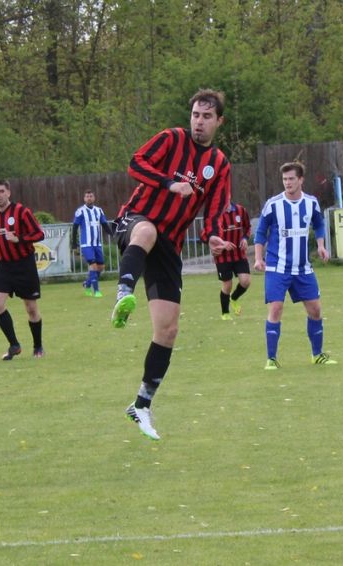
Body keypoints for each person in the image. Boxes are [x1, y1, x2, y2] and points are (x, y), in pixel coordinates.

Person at [110, 89, 233, 440]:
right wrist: (169, 182)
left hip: (171, 245)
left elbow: (214, 208)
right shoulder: (171, 139)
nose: (199, 121)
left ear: (218, 121)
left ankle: (142, 405)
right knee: (146, 231)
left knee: (167, 330)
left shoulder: (220, 165)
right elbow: (135, 163)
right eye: (195, 114)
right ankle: (123, 293)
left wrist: (211, 235)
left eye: (207, 117)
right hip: (135, 219)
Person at [253, 161, 337, 369]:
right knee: (276, 308)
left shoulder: (311, 203)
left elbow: (319, 223)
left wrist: (321, 245)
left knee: (315, 310)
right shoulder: (273, 204)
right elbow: (261, 232)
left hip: (303, 268)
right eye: (284, 179)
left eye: (291, 179)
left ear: (301, 180)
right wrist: (258, 258)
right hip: (277, 267)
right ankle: (271, 359)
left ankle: (317, 355)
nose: (287, 182)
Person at [0, 179, 46, 360]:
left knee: (31, 309)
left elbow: (39, 234)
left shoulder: (22, 212)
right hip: (3, 266)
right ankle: (14, 345)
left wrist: (19, 239)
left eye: (1, 191)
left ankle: (38, 346)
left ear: (9, 192)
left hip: (24, 265)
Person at [214, 201, 252, 320]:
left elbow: (247, 227)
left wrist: (245, 238)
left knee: (245, 281)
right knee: (227, 285)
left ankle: (234, 298)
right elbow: (206, 234)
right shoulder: (214, 214)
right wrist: (222, 244)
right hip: (222, 256)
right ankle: (225, 313)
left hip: (239, 254)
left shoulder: (241, 210)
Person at [71, 189, 112, 297]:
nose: (89, 198)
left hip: (97, 244)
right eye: (87, 196)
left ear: (94, 198)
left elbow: (104, 224)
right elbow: (75, 227)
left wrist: (113, 234)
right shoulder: (80, 211)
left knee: (101, 267)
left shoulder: (99, 210)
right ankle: (96, 291)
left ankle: (87, 284)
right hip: (86, 244)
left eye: (91, 196)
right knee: (93, 266)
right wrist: (74, 244)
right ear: (84, 199)